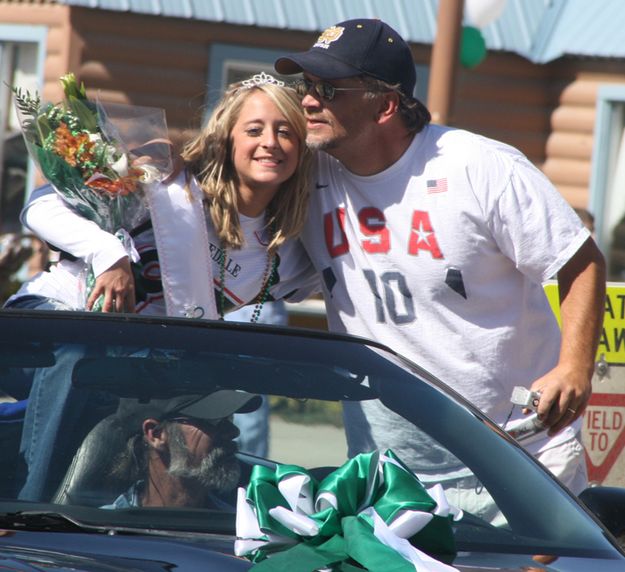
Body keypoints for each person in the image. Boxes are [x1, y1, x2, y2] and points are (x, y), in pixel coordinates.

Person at [273, 18, 606, 500]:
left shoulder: (479, 167)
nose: (308, 100)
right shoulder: (307, 176)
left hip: (518, 455)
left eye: (328, 88)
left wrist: (575, 368)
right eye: (306, 85)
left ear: (385, 105)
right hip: (386, 470)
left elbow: (580, 261)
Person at [5, 73, 319, 500]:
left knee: (203, 414)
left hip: (136, 364)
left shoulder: (286, 249)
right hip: (50, 333)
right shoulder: (172, 185)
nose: (271, 142)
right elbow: (41, 207)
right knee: (80, 355)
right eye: (255, 129)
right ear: (226, 138)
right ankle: (27, 510)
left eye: (286, 132)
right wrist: (108, 253)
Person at [104, 390, 262, 508]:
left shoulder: (247, 532)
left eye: (229, 418)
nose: (234, 432)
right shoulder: (102, 536)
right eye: (213, 420)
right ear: (156, 435)